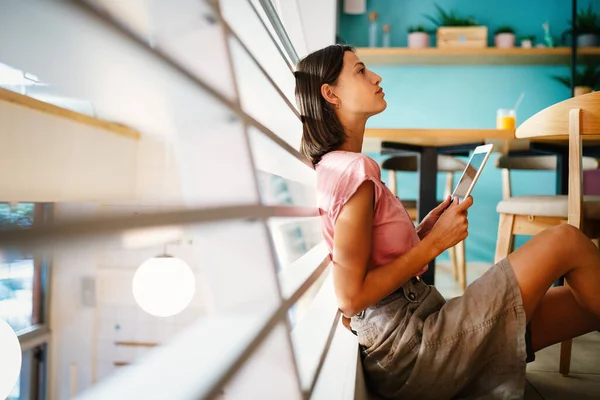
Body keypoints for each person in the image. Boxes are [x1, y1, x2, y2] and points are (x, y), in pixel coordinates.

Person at [294, 44, 600, 399]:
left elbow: (366, 261)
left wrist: (421, 232)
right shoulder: (356, 169)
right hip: (415, 350)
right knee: (565, 240)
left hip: (414, 335)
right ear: (330, 94)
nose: (376, 77)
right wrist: (433, 244)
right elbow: (350, 297)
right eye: (361, 71)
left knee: (583, 303)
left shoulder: (335, 167)